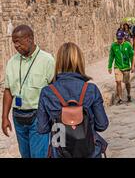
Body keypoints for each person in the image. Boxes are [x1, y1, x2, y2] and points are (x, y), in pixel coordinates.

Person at [37, 42, 109, 158]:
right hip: (89, 151)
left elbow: (42, 128)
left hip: (60, 150)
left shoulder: (47, 92)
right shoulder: (91, 89)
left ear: (59, 62)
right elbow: (102, 125)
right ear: (80, 61)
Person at [1, 25, 55, 158]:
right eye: (14, 42)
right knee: (25, 154)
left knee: (38, 155)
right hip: (18, 117)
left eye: (19, 41)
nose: (16, 45)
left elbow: (54, 90)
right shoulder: (12, 62)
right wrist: (4, 117)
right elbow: (8, 90)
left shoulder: (47, 60)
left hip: (38, 116)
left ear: (30, 39)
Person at [108, 30, 134, 105]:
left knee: (127, 83)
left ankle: (128, 94)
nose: (119, 40)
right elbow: (111, 56)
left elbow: (132, 56)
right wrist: (109, 67)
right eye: (118, 38)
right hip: (117, 66)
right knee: (118, 82)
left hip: (126, 67)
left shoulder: (128, 45)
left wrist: (133, 66)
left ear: (124, 38)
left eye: (120, 39)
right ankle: (120, 98)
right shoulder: (113, 45)